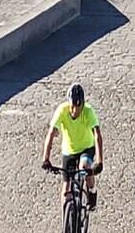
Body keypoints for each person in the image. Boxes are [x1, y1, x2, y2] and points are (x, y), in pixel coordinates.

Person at [41, 82, 104, 211]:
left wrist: (99, 162)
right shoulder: (61, 110)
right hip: (69, 150)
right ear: (68, 103)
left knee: (84, 167)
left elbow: (97, 135)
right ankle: (66, 219)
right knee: (66, 187)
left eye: (78, 107)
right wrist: (45, 159)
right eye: (72, 107)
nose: (75, 111)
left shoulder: (88, 111)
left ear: (83, 104)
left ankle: (92, 191)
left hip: (86, 147)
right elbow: (51, 133)